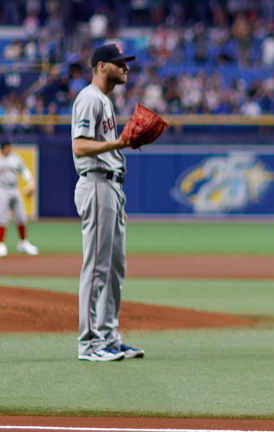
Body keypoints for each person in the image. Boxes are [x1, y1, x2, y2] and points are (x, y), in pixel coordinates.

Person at [71, 44, 144, 362]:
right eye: (119, 63)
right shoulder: (89, 97)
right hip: (97, 183)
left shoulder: (104, 100)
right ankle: (88, 344)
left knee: (115, 268)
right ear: (101, 66)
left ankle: (109, 338)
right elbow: (79, 146)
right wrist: (119, 142)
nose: (125, 68)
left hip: (111, 188)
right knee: (97, 267)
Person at [0, 140, 38, 257]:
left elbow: (24, 170)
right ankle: (1, 244)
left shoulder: (15, 158)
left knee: (21, 216)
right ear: (3, 147)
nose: (10, 148)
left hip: (14, 189)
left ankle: (23, 243)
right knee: (2, 217)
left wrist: (30, 181)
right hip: (2, 189)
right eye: (8, 146)